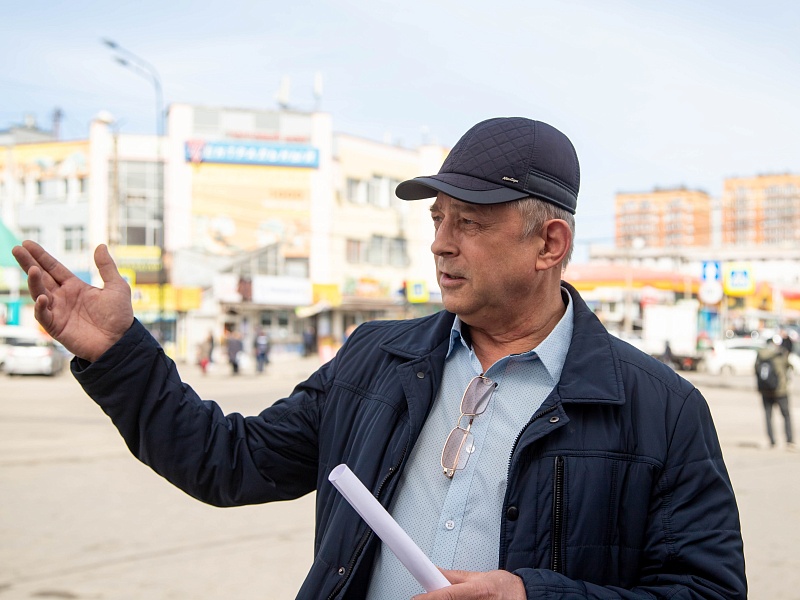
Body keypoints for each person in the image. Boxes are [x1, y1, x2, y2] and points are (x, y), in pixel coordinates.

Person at [11, 116, 746, 599]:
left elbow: (707, 590)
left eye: (469, 223)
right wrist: (119, 354)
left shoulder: (661, 410)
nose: (440, 244)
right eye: (437, 219)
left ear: (548, 244)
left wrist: (532, 594)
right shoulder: (375, 360)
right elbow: (229, 461)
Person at [755, 334, 794, 449]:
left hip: (765, 390)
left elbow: (756, 369)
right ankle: (789, 440)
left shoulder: (761, 354)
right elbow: (790, 367)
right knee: (786, 415)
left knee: (768, 416)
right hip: (781, 390)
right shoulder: (781, 354)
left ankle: (772, 441)